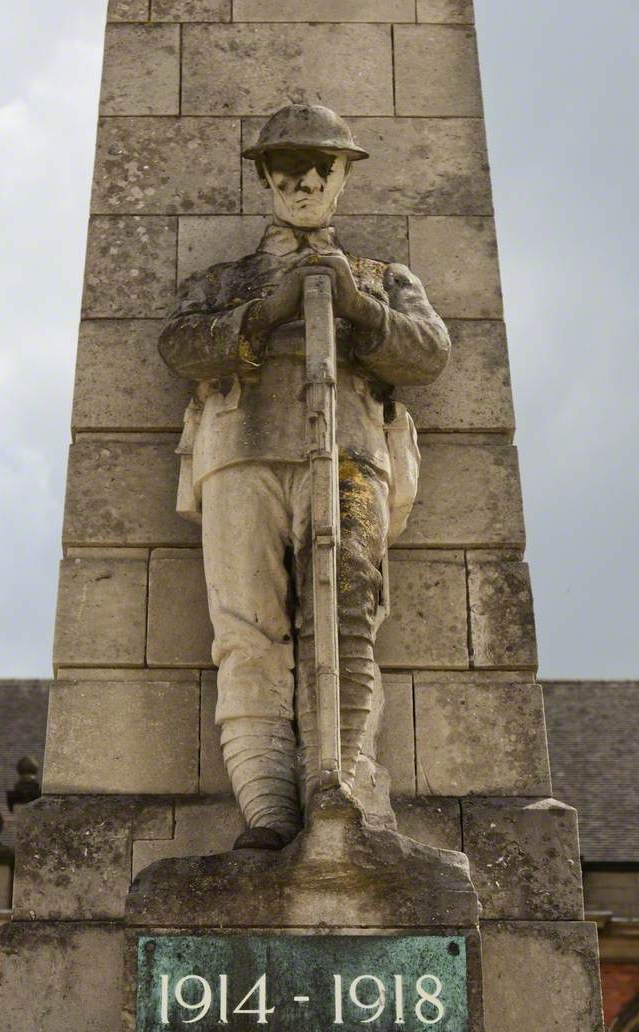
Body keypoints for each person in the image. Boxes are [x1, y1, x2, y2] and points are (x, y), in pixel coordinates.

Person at [159, 104, 450, 851]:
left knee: (347, 627)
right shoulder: (224, 281)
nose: (307, 179)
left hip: (350, 457)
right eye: (289, 164)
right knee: (247, 631)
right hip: (240, 452)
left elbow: (427, 353)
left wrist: (354, 308)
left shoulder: (383, 279)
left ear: (346, 174)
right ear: (263, 176)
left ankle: (339, 783)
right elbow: (182, 347)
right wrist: (266, 311)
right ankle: (265, 807)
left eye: (325, 164)